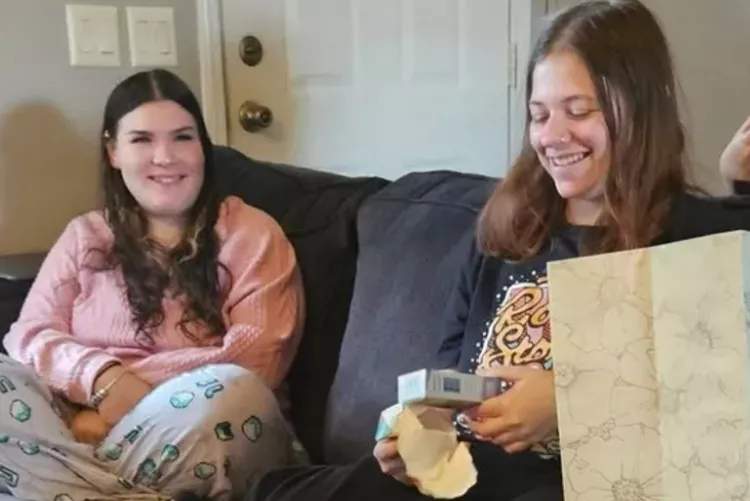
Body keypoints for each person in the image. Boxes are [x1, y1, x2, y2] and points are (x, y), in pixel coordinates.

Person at [246, 1, 750, 501]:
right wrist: (417, 432)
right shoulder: (511, 230)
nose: (553, 136)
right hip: (469, 473)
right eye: (539, 115)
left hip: (583, 484)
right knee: (287, 490)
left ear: (640, 109)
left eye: (579, 110)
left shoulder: (692, 237)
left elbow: (712, 410)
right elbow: (448, 382)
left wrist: (568, 400)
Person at [0, 69, 304, 500]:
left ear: (203, 148)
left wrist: (115, 401)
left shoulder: (252, 234)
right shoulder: (85, 235)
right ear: (113, 152)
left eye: (182, 138)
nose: (165, 157)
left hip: (196, 431)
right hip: (78, 431)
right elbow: (28, 335)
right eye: (141, 140)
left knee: (234, 392)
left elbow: (257, 360)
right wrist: (99, 377)